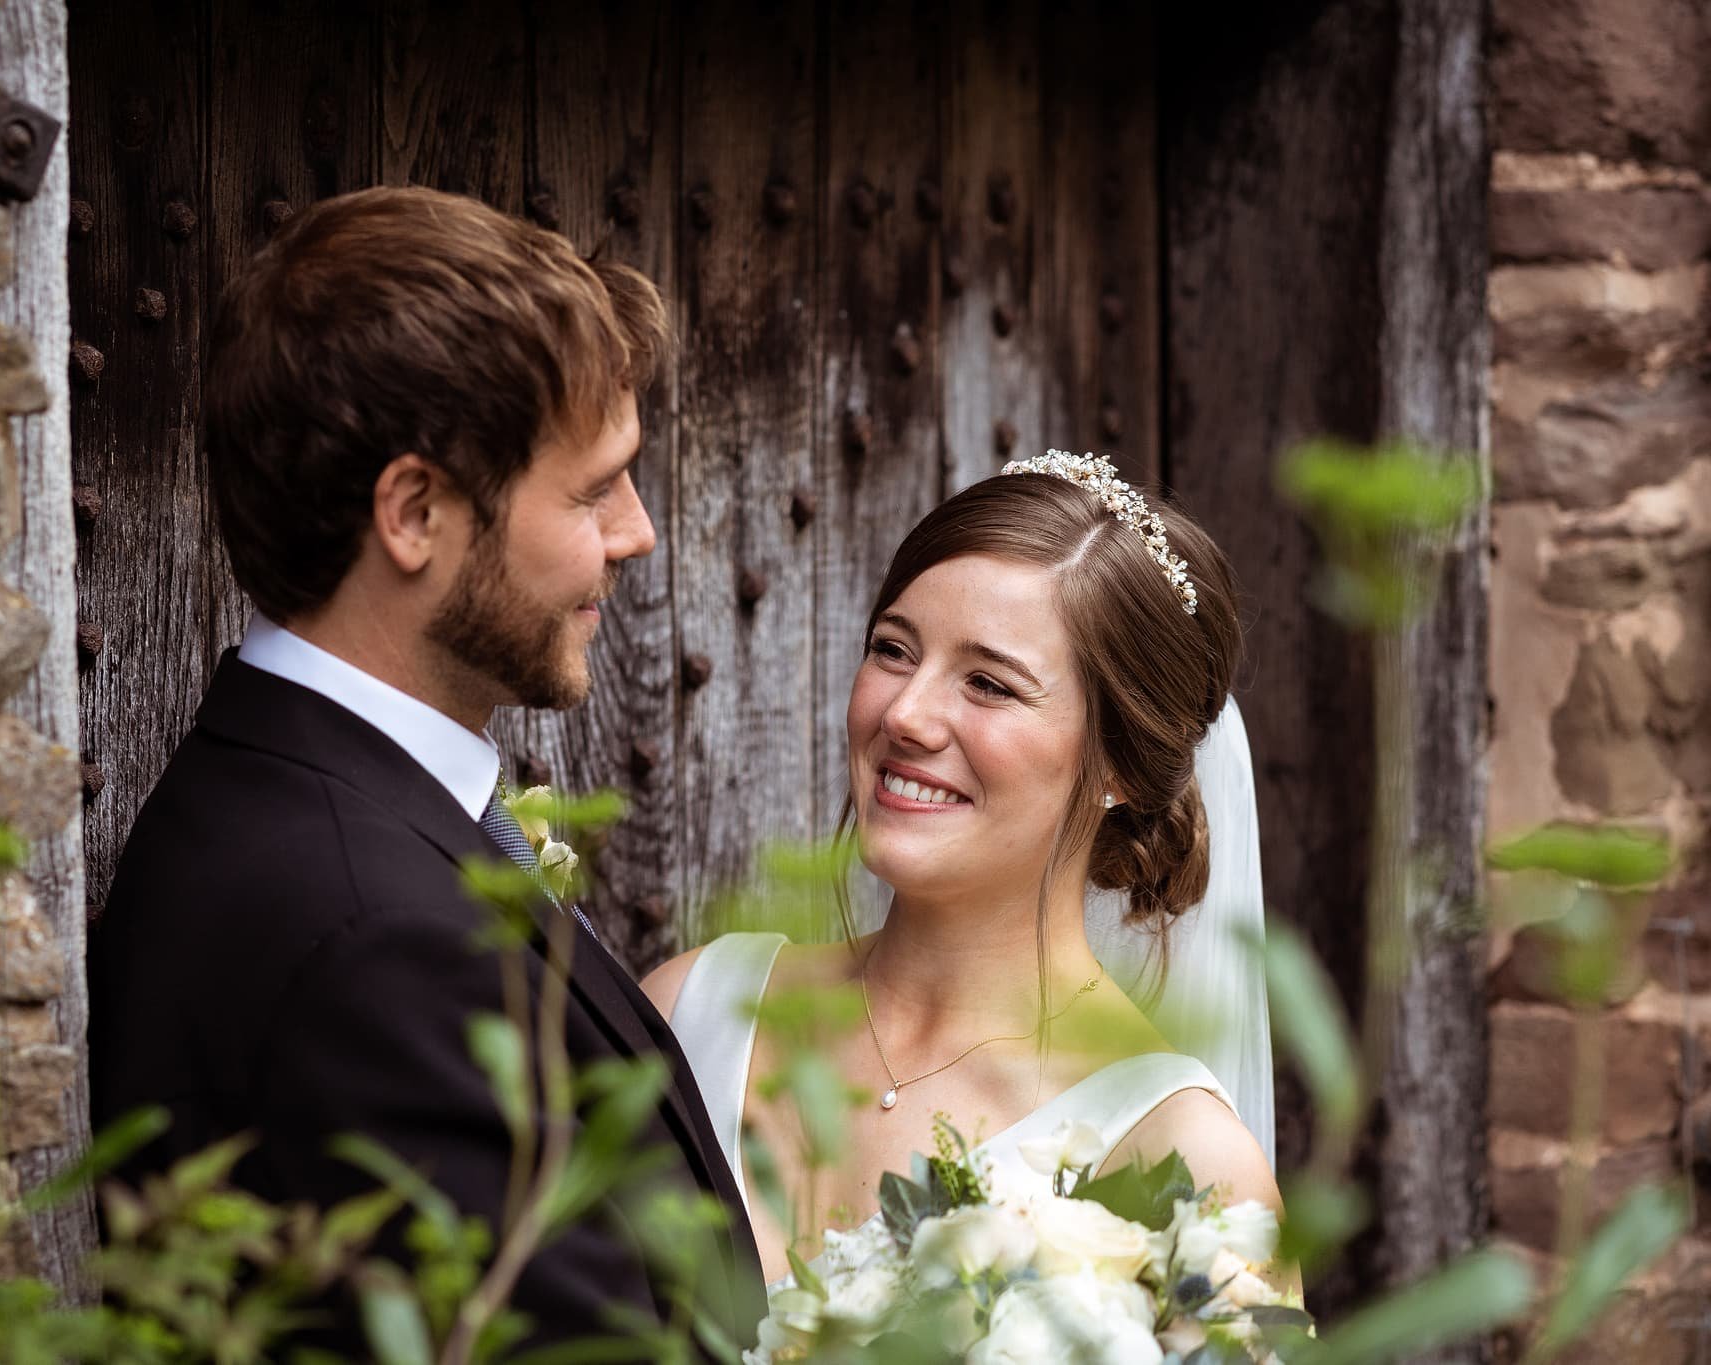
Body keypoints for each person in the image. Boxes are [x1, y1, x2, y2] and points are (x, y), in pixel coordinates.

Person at [87, 186, 764, 1354]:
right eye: (593, 486)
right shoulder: (374, 934)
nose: (635, 531)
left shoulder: (309, 807)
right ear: (413, 513)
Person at [644, 453, 1283, 1280]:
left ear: (1120, 764)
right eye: (893, 650)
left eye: (988, 683)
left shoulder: (1183, 1165)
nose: (905, 714)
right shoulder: (694, 1010)